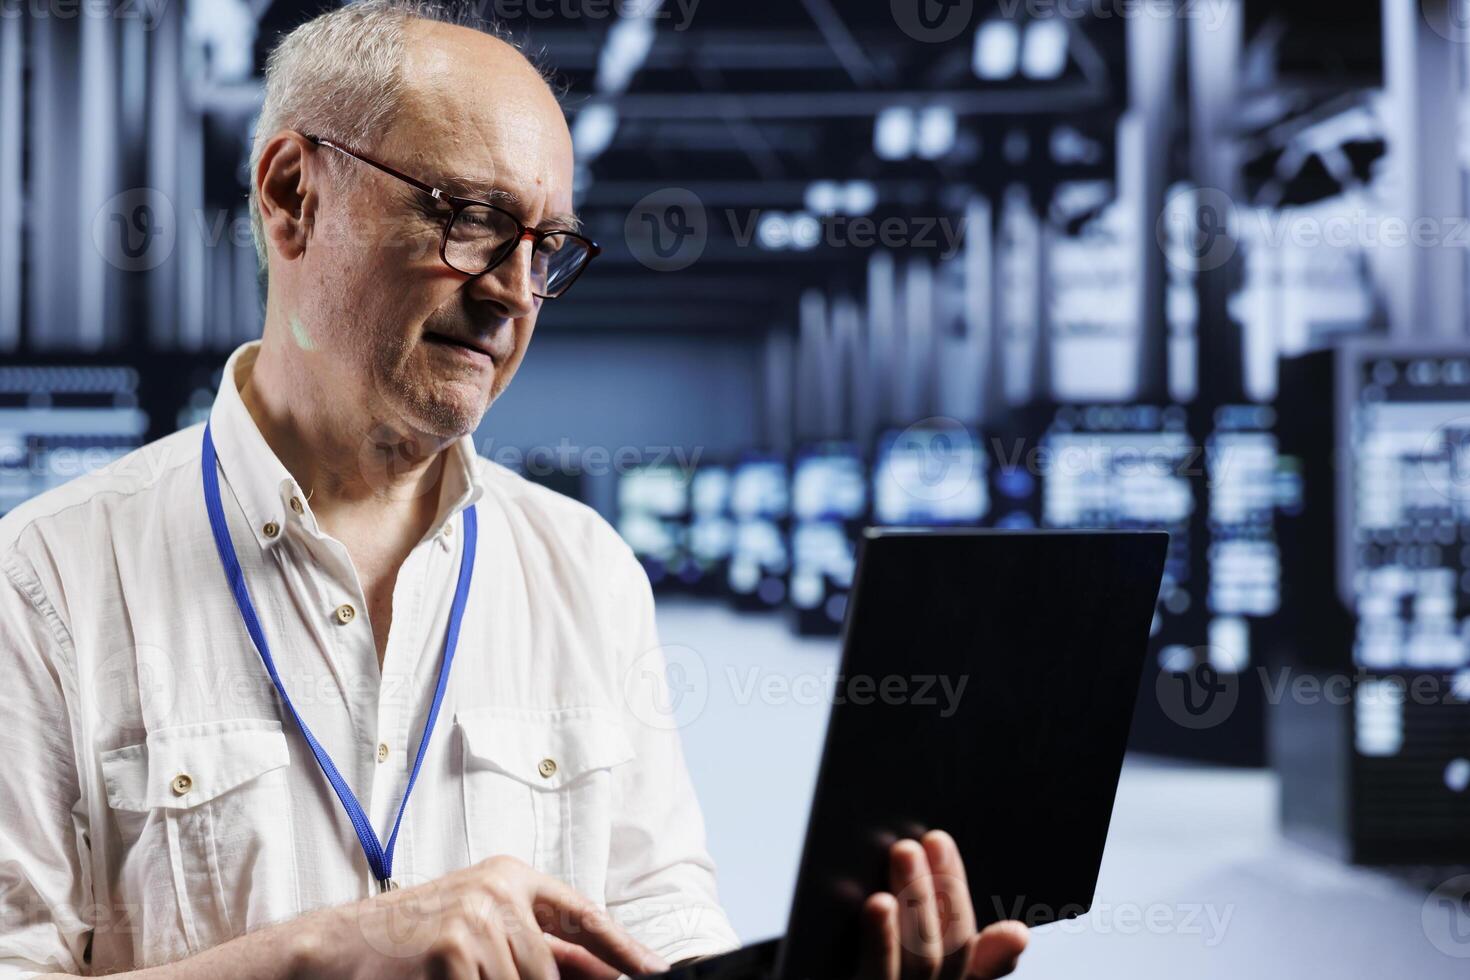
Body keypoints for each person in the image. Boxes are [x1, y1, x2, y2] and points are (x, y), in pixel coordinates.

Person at [0, 2, 1030, 977]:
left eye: (545, 248)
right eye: (469, 217)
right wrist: (326, 954)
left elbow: (659, 920)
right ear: (292, 196)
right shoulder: (46, 585)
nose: (510, 292)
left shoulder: (586, 571)